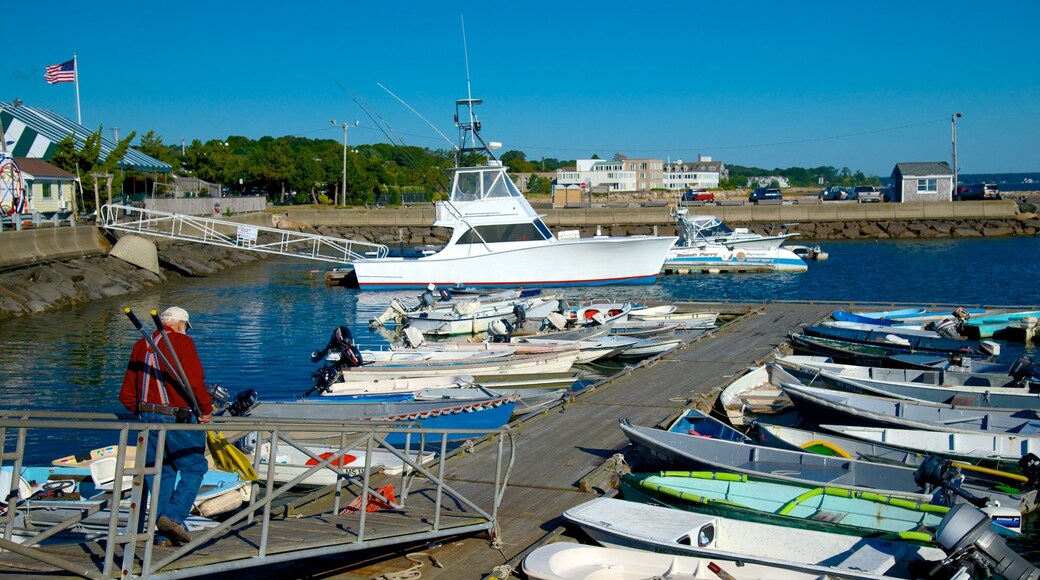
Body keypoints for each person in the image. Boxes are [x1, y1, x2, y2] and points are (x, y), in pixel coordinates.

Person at [119, 306, 212, 545]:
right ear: (181, 324)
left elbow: (128, 393)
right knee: (194, 467)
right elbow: (193, 382)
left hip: (147, 418)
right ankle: (173, 516)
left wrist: (143, 411)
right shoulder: (182, 343)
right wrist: (206, 410)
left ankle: (160, 534)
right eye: (185, 327)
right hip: (176, 417)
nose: (186, 331)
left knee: (161, 473)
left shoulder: (141, 345)